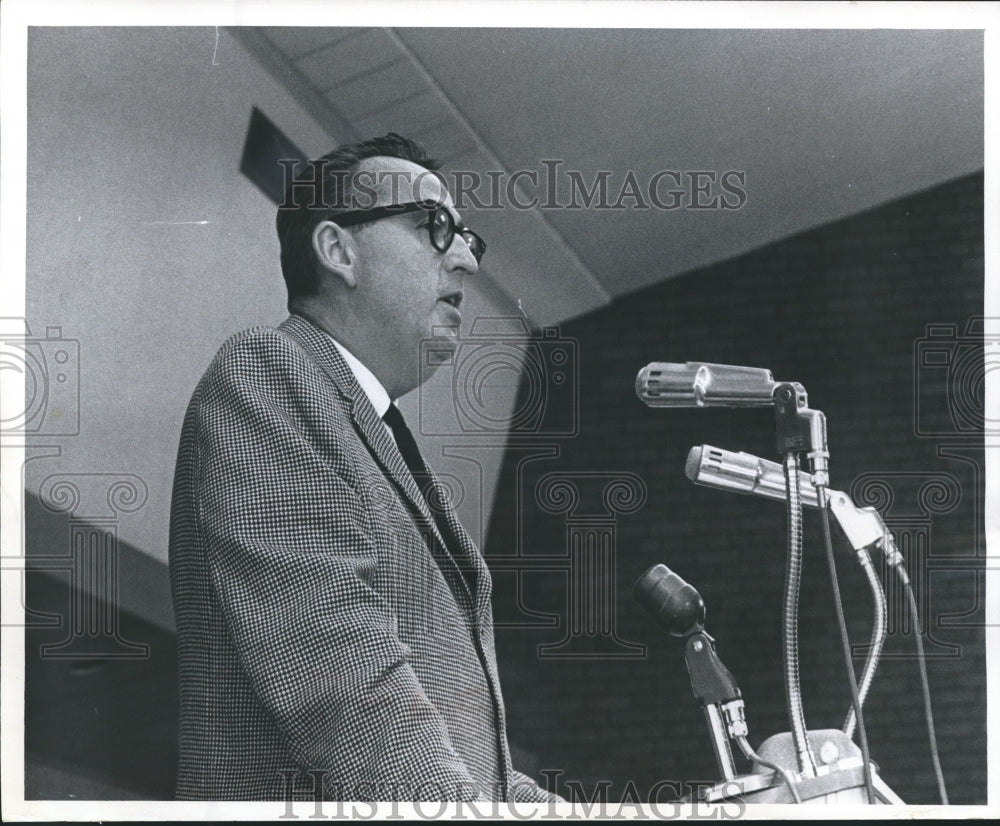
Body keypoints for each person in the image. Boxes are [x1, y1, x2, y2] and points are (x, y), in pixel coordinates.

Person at [169, 133, 559, 803]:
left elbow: (473, 761)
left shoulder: (370, 432)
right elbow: (350, 691)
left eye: (468, 237)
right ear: (338, 251)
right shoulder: (268, 375)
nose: (465, 258)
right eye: (434, 226)